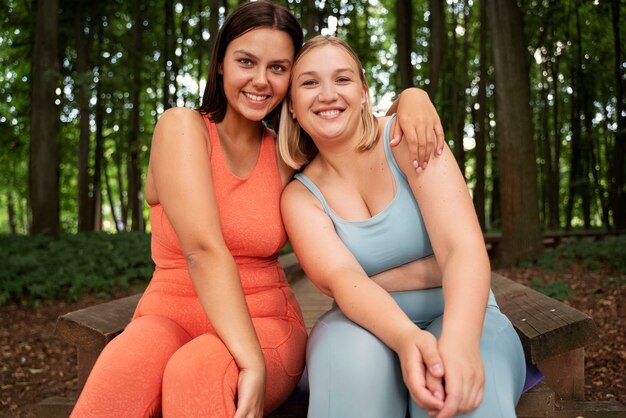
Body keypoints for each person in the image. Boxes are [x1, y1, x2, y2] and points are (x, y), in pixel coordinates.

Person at [71, 2, 445, 417]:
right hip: (167, 317)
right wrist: (248, 360)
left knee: (198, 371)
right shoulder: (181, 127)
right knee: (123, 368)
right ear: (220, 64)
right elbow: (202, 250)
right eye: (246, 62)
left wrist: (413, 97)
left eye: (279, 68)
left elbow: (359, 129)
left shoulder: (287, 155)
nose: (260, 81)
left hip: (265, 322)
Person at [279, 36, 527, 418]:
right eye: (309, 83)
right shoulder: (300, 197)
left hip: (461, 313)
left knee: (459, 393)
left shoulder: (408, 138)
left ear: (364, 92)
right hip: (358, 325)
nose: (327, 94)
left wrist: (458, 344)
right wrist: (408, 337)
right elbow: (345, 280)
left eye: (342, 80)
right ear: (292, 106)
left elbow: (462, 247)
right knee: (351, 382)